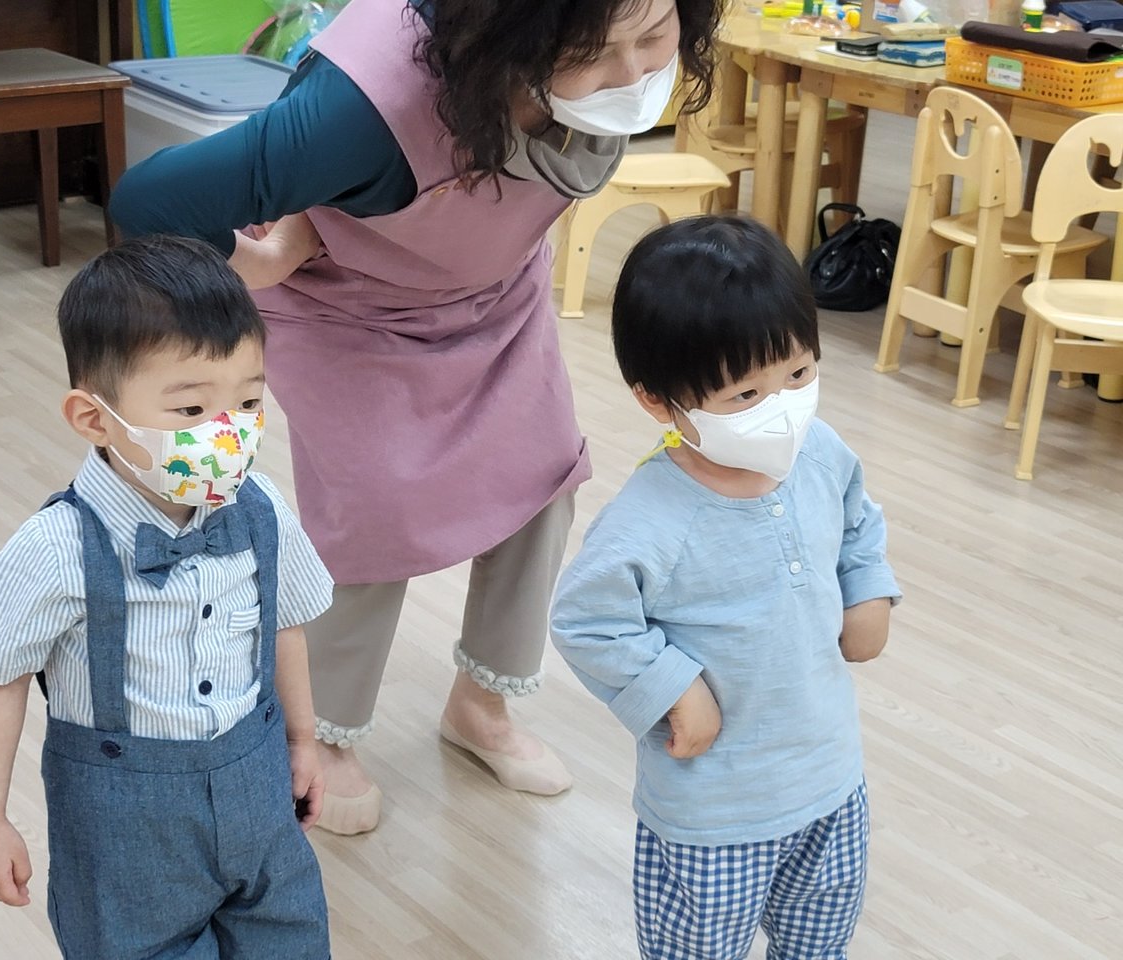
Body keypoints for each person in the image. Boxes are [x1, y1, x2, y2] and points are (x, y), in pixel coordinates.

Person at [109, 0, 725, 836]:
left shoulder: (609, 68)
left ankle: (482, 707)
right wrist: (265, 259)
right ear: (516, 37)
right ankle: (321, 737)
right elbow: (150, 197)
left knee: (542, 483)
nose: (634, 71)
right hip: (352, 312)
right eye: (593, 52)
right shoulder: (363, 111)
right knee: (376, 514)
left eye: (653, 37)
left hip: (493, 296)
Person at [0, 236, 333, 959]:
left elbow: (284, 625)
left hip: (259, 800)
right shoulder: (57, 548)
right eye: (192, 407)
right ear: (94, 418)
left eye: (248, 402)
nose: (228, 433)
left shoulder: (261, 511)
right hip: (125, 840)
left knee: (290, 937)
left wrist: (302, 740)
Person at [550, 216, 901, 960]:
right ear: (658, 401)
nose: (784, 406)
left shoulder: (820, 452)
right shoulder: (652, 520)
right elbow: (586, 619)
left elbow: (857, 521)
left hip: (830, 779)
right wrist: (677, 690)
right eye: (746, 393)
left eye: (799, 374)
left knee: (819, 945)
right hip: (713, 812)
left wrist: (867, 590)